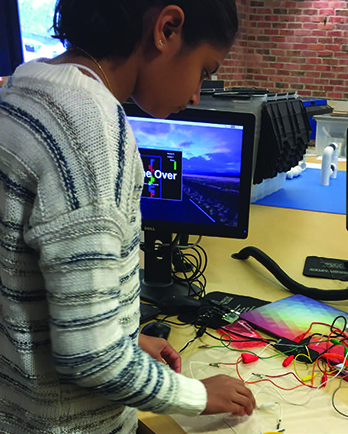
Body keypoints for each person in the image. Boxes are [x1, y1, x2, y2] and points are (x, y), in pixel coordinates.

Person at [0, 0, 256, 433]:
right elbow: (91, 359)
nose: (197, 95)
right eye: (205, 71)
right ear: (167, 28)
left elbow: (30, 284)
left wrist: (121, 335)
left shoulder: (23, 89)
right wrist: (196, 394)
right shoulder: (92, 133)